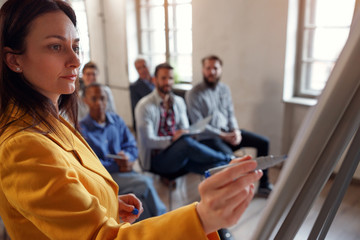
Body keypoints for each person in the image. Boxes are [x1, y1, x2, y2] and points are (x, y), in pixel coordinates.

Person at [0, 1, 262, 239]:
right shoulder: (22, 147)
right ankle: (224, 165)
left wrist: (109, 202)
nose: (75, 60)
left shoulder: (54, 123)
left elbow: (73, 193)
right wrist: (202, 217)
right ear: (14, 60)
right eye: (56, 46)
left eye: (76, 46)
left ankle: (224, 164)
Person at [186, 55, 272, 197]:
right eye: (208, 68)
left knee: (263, 142)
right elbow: (198, 125)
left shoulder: (225, 89)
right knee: (232, 160)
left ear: (220, 70)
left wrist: (236, 131)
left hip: (228, 133)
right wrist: (223, 136)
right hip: (208, 138)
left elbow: (230, 113)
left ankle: (264, 185)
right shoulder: (193, 94)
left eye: (215, 68)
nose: (212, 71)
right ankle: (235, 195)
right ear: (203, 70)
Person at [80, 83, 167, 221]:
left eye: (102, 98)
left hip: (125, 172)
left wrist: (128, 157)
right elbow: (90, 163)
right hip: (105, 177)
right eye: (94, 99)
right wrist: (117, 165)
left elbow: (131, 145)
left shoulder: (117, 121)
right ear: (85, 100)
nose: (99, 103)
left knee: (138, 198)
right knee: (144, 183)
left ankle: (150, 230)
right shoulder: (82, 129)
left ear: (107, 99)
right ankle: (163, 220)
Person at [135, 63, 234, 176]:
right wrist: (172, 139)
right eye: (163, 78)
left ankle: (229, 166)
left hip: (179, 152)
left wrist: (186, 132)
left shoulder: (179, 102)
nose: (168, 82)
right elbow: (148, 141)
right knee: (186, 143)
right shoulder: (144, 106)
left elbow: (185, 129)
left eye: (170, 78)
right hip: (157, 159)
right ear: (154, 80)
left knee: (218, 167)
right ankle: (230, 158)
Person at [129, 58, 154, 131]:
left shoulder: (157, 81)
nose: (142, 70)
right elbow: (135, 108)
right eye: (139, 68)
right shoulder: (134, 87)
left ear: (149, 66)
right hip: (146, 120)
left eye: (144, 66)